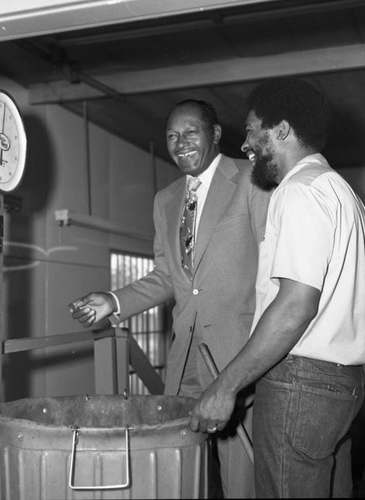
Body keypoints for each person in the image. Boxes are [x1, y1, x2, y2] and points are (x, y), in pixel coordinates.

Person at [69, 99, 272, 498]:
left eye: (190, 132)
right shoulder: (166, 199)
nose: (180, 143)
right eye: (172, 137)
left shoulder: (253, 178)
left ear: (214, 134)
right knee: (179, 473)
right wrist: (113, 300)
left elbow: (274, 265)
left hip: (240, 357)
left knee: (241, 480)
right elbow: (169, 276)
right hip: (185, 363)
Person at [189, 78, 365, 498]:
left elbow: (294, 307)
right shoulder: (343, 195)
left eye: (253, 129)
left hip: (301, 385)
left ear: (283, 130)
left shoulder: (299, 191)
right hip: (343, 386)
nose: (246, 142)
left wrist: (225, 385)